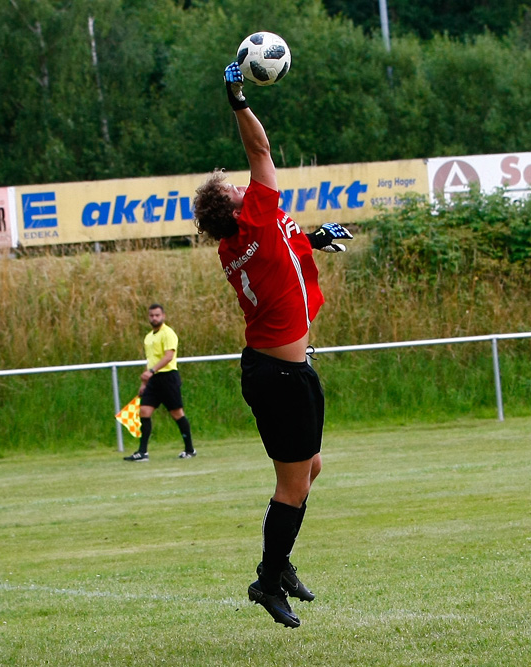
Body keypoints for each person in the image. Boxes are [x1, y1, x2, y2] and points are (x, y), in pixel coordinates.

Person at [192, 62, 353, 628]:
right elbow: (260, 148)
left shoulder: (239, 240)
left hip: (281, 371)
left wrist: (311, 239)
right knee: (293, 482)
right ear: (239, 209)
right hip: (280, 377)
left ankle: (279, 562)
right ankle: (267, 578)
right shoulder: (255, 219)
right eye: (236, 189)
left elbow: (278, 256)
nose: (245, 182)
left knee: (310, 468)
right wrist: (237, 98)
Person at [123, 303, 196, 462]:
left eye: (157, 315)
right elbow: (150, 360)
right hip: (153, 379)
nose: (154, 318)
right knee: (144, 412)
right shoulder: (149, 337)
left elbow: (168, 356)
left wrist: (152, 371)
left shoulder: (168, 333)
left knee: (177, 414)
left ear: (163, 316)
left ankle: (190, 449)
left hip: (168, 377)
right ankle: (143, 452)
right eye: (151, 315)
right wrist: (145, 381)